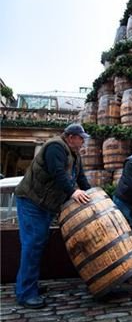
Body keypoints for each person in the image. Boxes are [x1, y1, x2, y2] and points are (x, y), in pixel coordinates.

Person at [14, 123, 92, 309]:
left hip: (45, 204)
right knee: (32, 245)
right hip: (32, 201)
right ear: (71, 137)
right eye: (81, 138)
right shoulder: (55, 147)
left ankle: (29, 286)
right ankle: (26, 293)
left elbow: (81, 178)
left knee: (38, 245)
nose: (83, 142)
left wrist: (94, 196)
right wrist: (74, 192)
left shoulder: (75, 155)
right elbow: (58, 174)